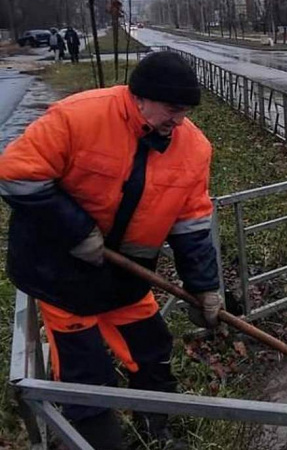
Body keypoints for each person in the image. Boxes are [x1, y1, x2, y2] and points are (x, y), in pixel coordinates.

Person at [0, 52, 223, 449]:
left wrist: (204, 287)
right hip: (60, 275)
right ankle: (97, 441)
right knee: (86, 371)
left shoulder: (193, 149)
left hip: (127, 277)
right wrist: (78, 231)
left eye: (185, 110)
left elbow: (191, 224)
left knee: (152, 351)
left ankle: (158, 431)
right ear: (141, 97)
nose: (179, 120)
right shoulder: (79, 118)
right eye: (172, 108)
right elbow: (17, 174)